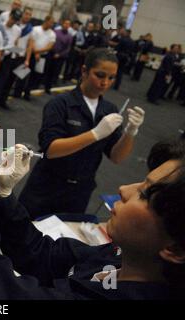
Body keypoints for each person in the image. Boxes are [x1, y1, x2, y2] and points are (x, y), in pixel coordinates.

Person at [0, 130, 185, 299]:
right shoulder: (125, 259)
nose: (124, 189)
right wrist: (4, 197)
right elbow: (44, 255)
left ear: (175, 249)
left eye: (144, 194)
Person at [18, 48, 145, 218]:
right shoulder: (60, 104)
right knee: (24, 233)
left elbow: (116, 157)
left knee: (63, 238)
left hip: (79, 191)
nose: (105, 83)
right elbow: (51, 150)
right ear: (84, 71)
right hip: (47, 186)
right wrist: (95, 134)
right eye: (99, 75)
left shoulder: (109, 110)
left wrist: (130, 132)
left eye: (111, 78)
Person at [15, 15, 56, 101]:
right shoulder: (35, 29)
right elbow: (31, 42)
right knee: (23, 73)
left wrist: (37, 52)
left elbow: (49, 47)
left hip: (42, 57)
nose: (52, 24)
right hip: (31, 54)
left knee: (35, 75)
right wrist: (35, 52)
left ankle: (27, 92)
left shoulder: (52, 34)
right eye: (51, 22)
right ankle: (17, 91)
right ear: (46, 21)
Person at [44, 19, 73, 94]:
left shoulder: (69, 36)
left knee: (54, 72)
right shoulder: (55, 32)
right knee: (46, 69)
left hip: (60, 57)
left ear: (69, 26)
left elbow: (68, 48)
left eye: (68, 24)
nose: (66, 25)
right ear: (62, 24)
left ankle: (48, 87)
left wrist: (59, 54)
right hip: (50, 53)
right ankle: (41, 83)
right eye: (65, 23)